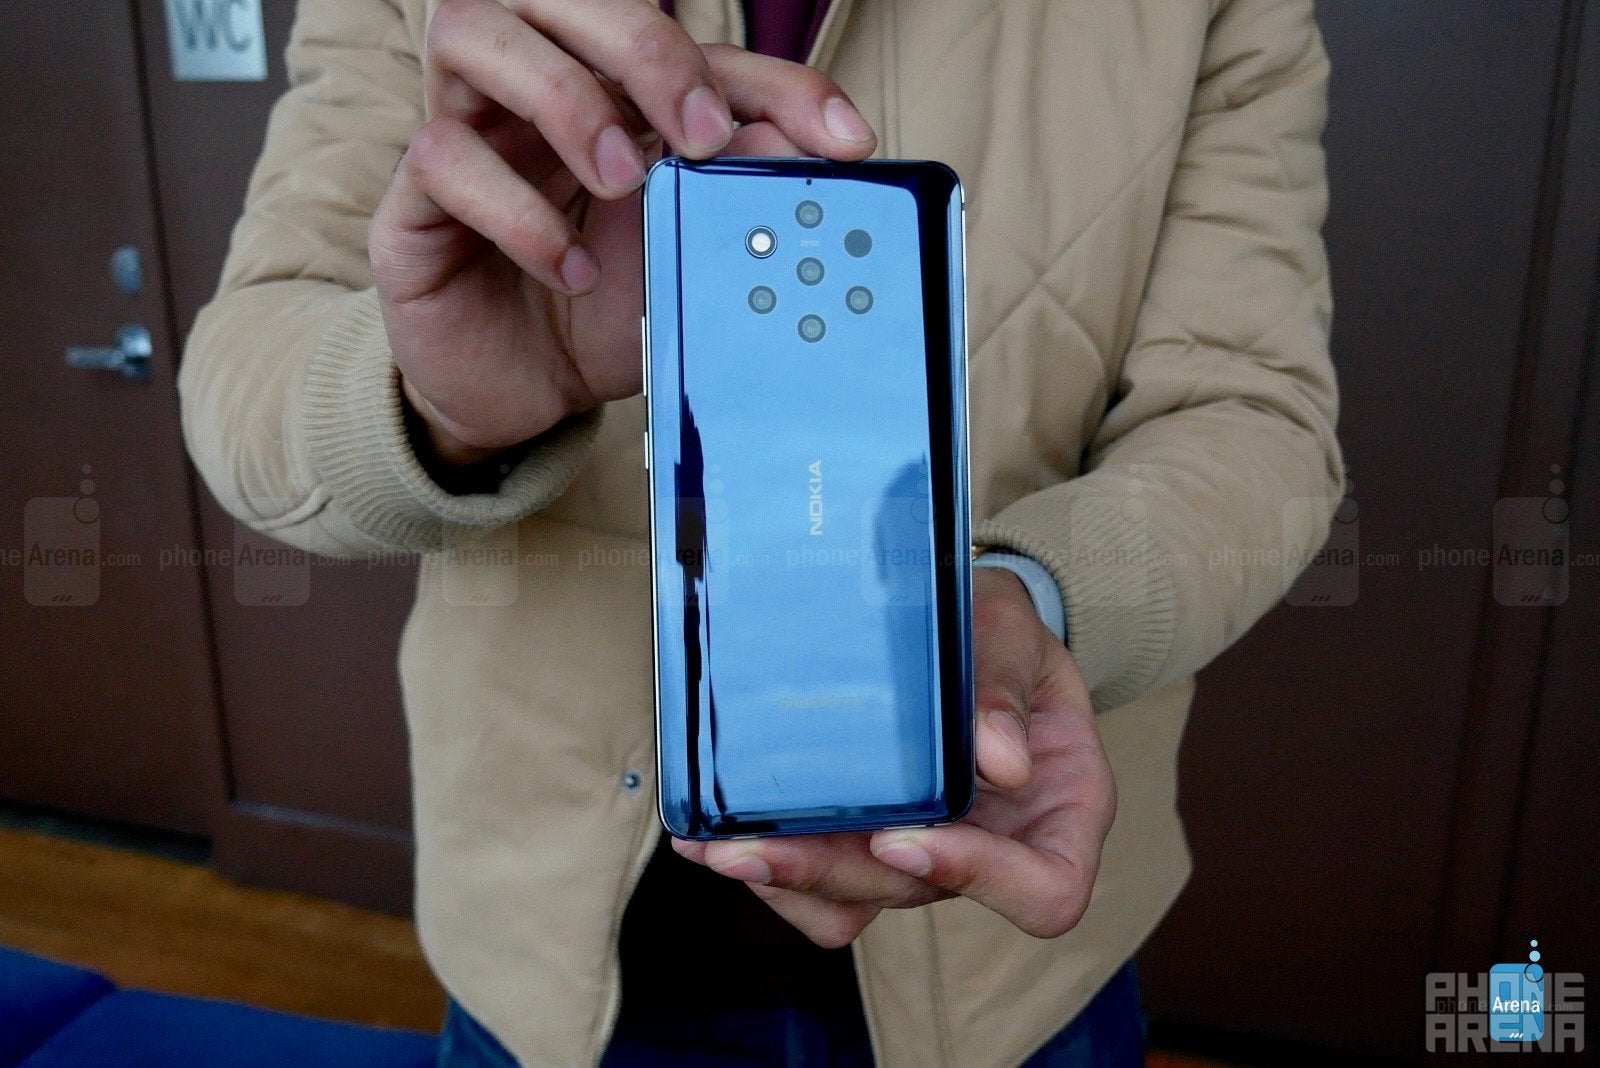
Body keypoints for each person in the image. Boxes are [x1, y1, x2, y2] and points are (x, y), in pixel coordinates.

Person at [179, 0, 1343, 1064]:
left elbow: (1252, 417)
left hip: (1012, 973)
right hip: (543, 956)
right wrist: (439, 399)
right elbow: (242, 378)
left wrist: (1024, 601)